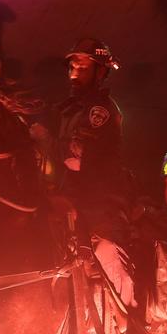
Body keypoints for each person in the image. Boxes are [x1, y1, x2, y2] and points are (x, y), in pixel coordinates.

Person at [55, 37, 135, 309]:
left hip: (102, 198)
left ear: (100, 72)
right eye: (73, 67)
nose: (75, 72)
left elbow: (77, 161)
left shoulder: (100, 111)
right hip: (72, 195)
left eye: (83, 67)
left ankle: (129, 322)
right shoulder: (69, 110)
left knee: (106, 251)